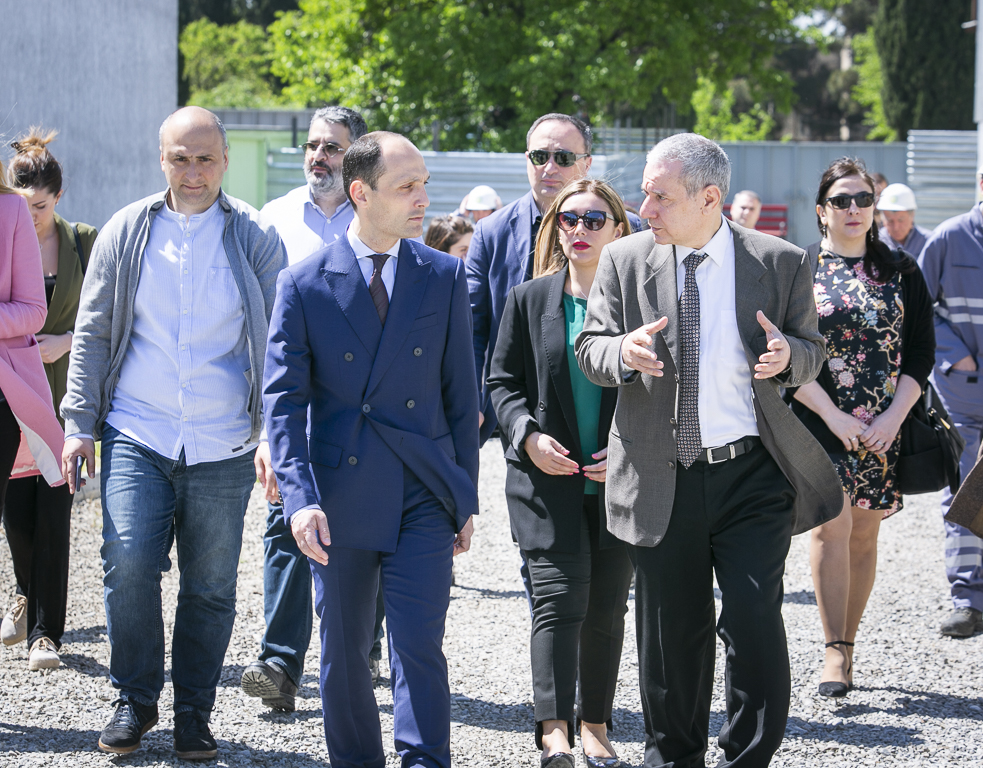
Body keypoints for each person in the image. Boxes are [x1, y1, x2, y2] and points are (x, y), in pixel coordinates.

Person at [576, 133, 842, 768]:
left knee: (752, 619)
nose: (645, 208)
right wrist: (622, 352)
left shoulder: (779, 261)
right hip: (660, 472)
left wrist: (789, 357)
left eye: (661, 197)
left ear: (709, 198)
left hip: (752, 474)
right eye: (646, 193)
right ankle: (674, 758)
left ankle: (747, 756)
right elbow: (590, 347)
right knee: (672, 631)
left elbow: (812, 350)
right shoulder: (624, 259)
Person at [60, 107, 286, 759]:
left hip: (224, 440)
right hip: (138, 429)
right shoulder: (126, 231)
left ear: (224, 161)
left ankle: (193, 712)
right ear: (161, 159)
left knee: (210, 586)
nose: (193, 172)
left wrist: (276, 434)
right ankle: (134, 700)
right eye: (179, 158)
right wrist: (78, 424)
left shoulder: (254, 237)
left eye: (205, 158)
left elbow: (280, 343)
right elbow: (93, 331)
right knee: (128, 564)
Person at [263, 131, 479, 768]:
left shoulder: (444, 275)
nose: (422, 199)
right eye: (406, 187)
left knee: (419, 644)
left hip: (424, 489)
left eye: (423, 184)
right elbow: (284, 402)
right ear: (360, 192)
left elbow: (461, 397)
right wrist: (299, 499)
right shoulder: (303, 282)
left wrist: (463, 496)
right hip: (339, 498)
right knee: (344, 651)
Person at [487, 178, 633, 768]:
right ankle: (554, 730)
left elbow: (664, 392)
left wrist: (625, 453)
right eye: (568, 219)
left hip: (619, 483)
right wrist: (527, 435)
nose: (579, 229)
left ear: (618, 230)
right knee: (557, 599)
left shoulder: (641, 305)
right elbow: (501, 383)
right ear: (555, 228)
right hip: (545, 483)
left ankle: (595, 723)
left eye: (594, 220)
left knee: (607, 608)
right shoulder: (528, 299)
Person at [789, 158, 935, 697]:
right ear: (822, 209)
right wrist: (833, 415)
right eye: (841, 200)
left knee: (864, 535)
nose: (854, 209)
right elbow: (782, 353)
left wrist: (893, 419)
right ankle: (833, 650)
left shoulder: (902, 269)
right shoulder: (799, 267)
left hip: (881, 430)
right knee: (831, 527)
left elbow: (920, 352)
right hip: (821, 420)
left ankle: (848, 645)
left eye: (864, 199)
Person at [243, 105, 367, 712]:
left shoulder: (377, 218)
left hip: (359, 408)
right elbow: (257, 325)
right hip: (292, 401)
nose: (319, 156)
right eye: (313, 145)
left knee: (360, 526)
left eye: (333, 147)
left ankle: (361, 640)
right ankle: (280, 664)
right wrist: (267, 430)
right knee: (284, 521)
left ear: (357, 157)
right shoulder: (272, 221)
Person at [0, 130, 96, 671]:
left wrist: (68, 342)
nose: (31, 215)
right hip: (15, 391)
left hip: (65, 393)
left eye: (40, 206)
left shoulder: (83, 242)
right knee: (17, 515)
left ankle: (45, 633)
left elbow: (110, 319)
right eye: (24, 203)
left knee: (55, 512)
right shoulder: (7, 229)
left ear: (58, 197)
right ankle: (23, 591)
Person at [0, 157, 67, 667]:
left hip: (13, 392)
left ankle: (45, 629)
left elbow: (33, 310)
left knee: (45, 508)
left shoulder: (11, 212)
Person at [918, 165, 983, 638]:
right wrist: (955, 356)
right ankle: (969, 599)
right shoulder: (950, 237)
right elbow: (918, 309)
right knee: (967, 490)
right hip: (964, 394)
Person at [876, 182, 931, 256]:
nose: (896, 227)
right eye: (890, 221)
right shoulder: (874, 244)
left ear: (912, 215)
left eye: (901, 220)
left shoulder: (929, 242)